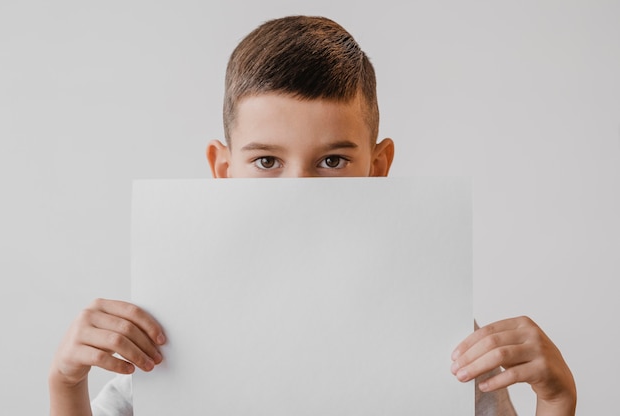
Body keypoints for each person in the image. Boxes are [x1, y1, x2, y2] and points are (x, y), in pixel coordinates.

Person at [48, 15, 577, 416]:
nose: (298, 191)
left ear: (378, 165)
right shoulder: (176, 329)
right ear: (222, 168)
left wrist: (556, 401)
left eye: (331, 160)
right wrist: (65, 384)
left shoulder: (439, 339)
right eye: (266, 161)